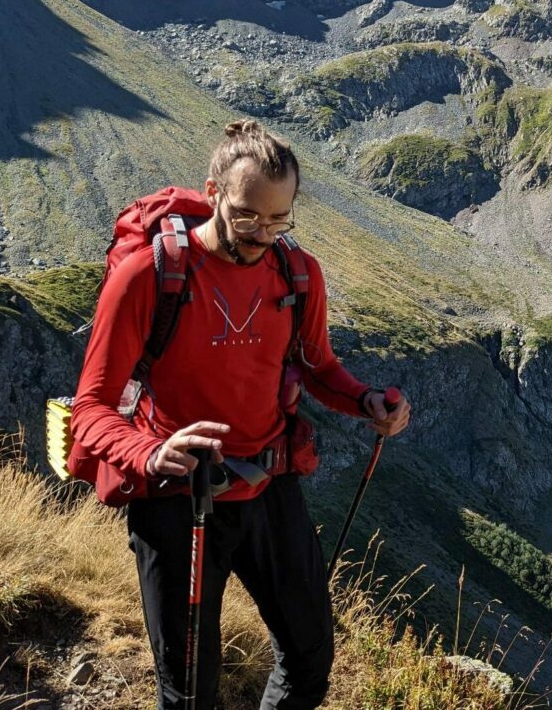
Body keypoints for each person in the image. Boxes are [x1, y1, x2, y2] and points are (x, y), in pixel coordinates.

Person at [72, 120, 411, 709]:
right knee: (190, 690)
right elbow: (91, 408)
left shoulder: (297, 273)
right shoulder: (148, 276)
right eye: (248, 216)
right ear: (213, 193)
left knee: (309, 660)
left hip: (267, 483)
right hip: (177, 496)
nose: (263, 234)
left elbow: (318, 367)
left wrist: (365, 400)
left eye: (280, 219)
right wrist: (150, 452)